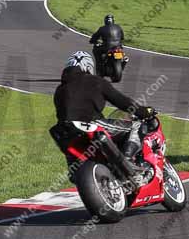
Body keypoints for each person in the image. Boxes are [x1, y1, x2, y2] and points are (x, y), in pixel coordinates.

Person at [50, 51, 155, 180]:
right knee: (137, 126)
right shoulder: (96, 81)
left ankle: (78, 168)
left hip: (65, 130)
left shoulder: (59, 89)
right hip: (91, 124)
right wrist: (144, 111)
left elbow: (61, 113)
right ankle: (127, 161)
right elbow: (123, 102)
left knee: (74, 169)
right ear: (88, 66)